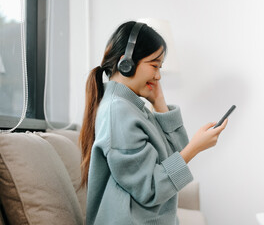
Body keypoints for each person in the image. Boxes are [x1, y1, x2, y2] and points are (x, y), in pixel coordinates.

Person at [79, 21, 228, 225]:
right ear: (127, 63)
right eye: (154, 65)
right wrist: (195, 149)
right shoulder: (119, 112)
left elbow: (176, 155)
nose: (158, 76)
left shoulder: (131, 108)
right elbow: (150, 188)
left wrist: (160, 104)